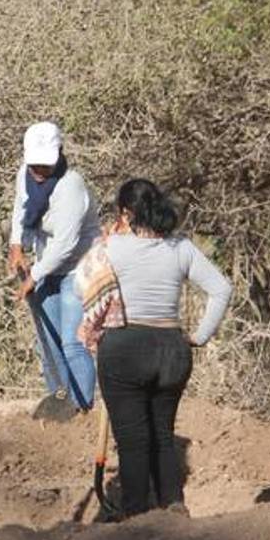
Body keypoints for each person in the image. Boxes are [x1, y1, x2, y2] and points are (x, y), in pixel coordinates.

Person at [78, 178, 232, 518]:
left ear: (125, 213)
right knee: (162, 434)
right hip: (172, 349)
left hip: (125, 347)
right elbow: (222, 289)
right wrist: (199, 336)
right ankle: (173, 508)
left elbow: (84, 288)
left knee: (133, 443)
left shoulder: (108, 248)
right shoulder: (180, 247)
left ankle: (137, 518)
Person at [9, 121, 101, 409]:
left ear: (60, 153)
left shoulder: (71, 186)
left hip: (78, 268)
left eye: (44, 165)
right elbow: (19, 209)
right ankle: (62, 403)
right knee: (46, 343)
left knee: (73, 343)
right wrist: (16, 245)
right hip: (45, 267)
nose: (38, 171)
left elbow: (65, 245)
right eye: (34, 163)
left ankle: (82, 407)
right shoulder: (24, 175)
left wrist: (32, 276)